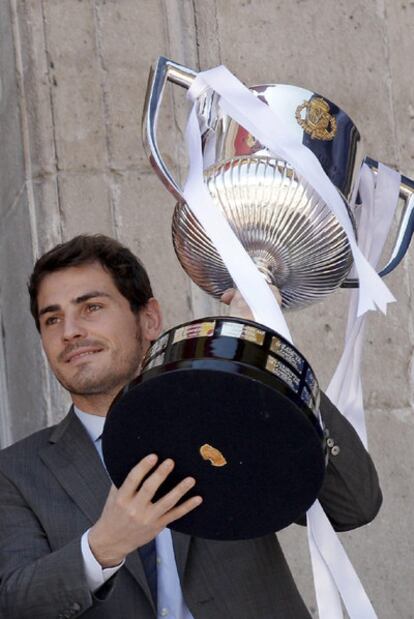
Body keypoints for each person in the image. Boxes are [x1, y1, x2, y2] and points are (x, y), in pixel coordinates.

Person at [0, 234, 382, 619]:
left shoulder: (229, 413)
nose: (69, 331)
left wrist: (273, 361)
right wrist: (101, 548)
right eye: (52, 319)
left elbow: (352, 506)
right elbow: (14, 603)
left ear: (149, 319)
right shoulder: (15, 473)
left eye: (91, 307)